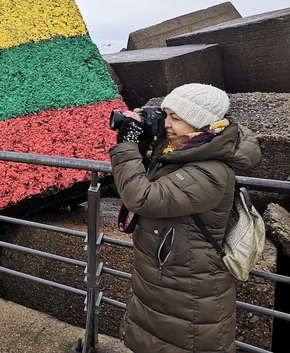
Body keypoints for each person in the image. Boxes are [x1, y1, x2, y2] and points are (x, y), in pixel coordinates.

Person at [109, 83, 261, 353]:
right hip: (169, 279)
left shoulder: (211, 170)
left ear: (200, 122)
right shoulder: (182, 150)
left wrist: (127, 145)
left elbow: (143, 197)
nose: (167, 123)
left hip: (191, 291)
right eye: (165, 115)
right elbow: (155, 176)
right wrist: (145, 135)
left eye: (176, 118)